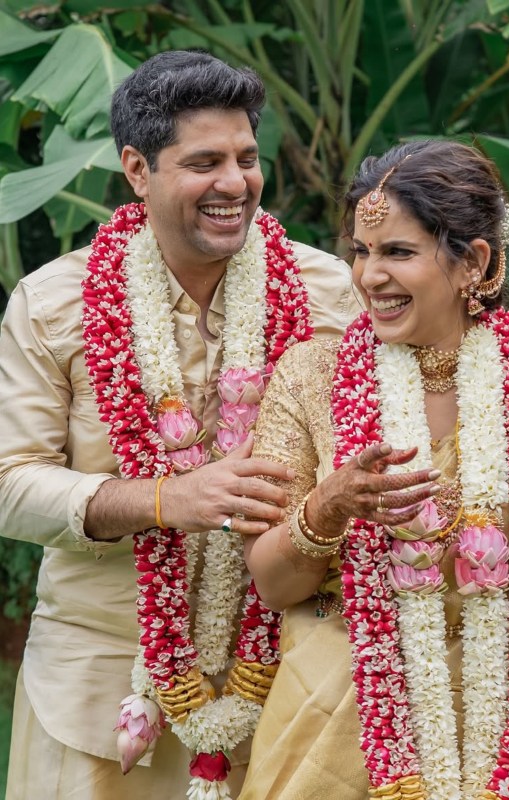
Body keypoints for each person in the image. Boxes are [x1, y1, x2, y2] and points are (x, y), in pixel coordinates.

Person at [0, 50, 370, 800]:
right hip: (102, 687)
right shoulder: (54, 303)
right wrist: (166, 499)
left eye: (245, 157)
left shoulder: (331, 293)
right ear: (138, 169)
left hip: (289, 676)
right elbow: (9, 486)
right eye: (204, 162)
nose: (234, 184)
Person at [238, 139, 509, 800]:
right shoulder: (312, 377)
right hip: (334, 731)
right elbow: (270, 584)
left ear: (474, 263)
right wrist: (329, 505)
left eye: (398, 252)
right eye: (361, 251)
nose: (370, 276)